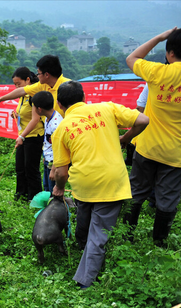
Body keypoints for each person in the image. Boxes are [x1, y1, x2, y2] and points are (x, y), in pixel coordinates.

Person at [52, 81, 148, 289]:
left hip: (83, 184)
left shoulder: (61, 128)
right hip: (112, 182)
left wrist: (59, 187)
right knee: (99, 232)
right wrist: (126, 138)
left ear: (59, 104)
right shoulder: (107, 108)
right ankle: (87, 273)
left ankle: (84, 269)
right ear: (84, 97)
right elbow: (143, 119)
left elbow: (61, 171)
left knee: (85, 222)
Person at [123, 27, 181, 245]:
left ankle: (127, 236)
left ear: (170, 53)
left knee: (136, 192)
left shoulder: (158, 72)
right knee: (167, 199)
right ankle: (159, 242)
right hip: (177, 153)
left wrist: (160, 37)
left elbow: (132, 57)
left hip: (147, 146)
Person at [0, 55, 71, 120]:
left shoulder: (68, 87)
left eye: (39, 73)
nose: (37, 76)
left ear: (47, 75)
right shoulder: (43, 85)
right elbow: (21, 91)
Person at [10, 67, 45, 201]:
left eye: (19, 84)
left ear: (28, 80)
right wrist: (16, 115)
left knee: (31, 169)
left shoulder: (34, 96)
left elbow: (35, 119)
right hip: (23, 136)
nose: (17, 87)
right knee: (20, 168)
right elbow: (25, 114)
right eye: (15, 84)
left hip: (33, 136)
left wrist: (22, 136)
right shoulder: (22, 96)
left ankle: (34, 198)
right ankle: (21, 194)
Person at [30, 91, 62, 193]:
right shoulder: (48, 118)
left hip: (54, 162)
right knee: (47, 187)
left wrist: (53, 169)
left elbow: (59, 149)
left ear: (39, 109)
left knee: (53, 189)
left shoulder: (56, 124)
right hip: (48, 158)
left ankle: (55, 207)